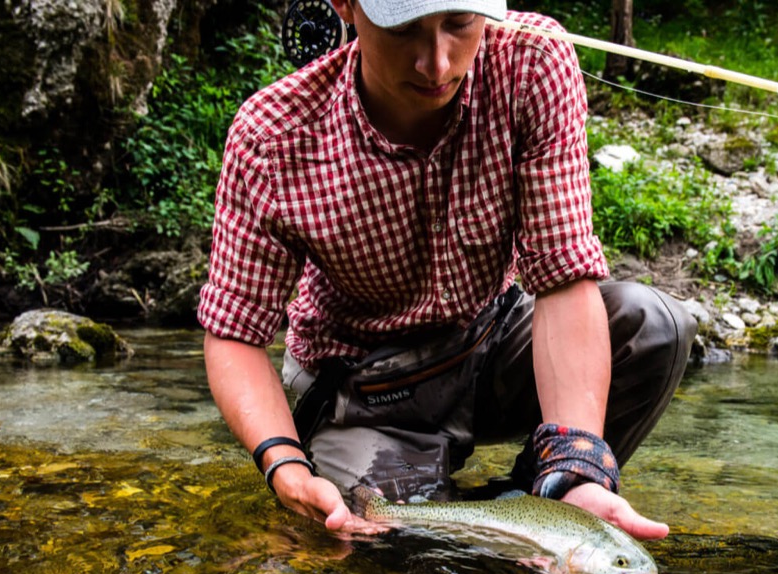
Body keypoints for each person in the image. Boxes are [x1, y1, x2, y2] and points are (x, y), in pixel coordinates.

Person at [198, 0, 695, 541]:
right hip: (367, 386)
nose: (437, 64)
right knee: (398, 547)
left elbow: (562, 276)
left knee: (654, 325)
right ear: (346, 6)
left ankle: (544, 495)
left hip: (493, 339)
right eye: (404, 29)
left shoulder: (531, 63)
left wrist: (577, 466)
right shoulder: (273, 137)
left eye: (459, 24)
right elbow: (235, 333)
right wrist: (284, 465)